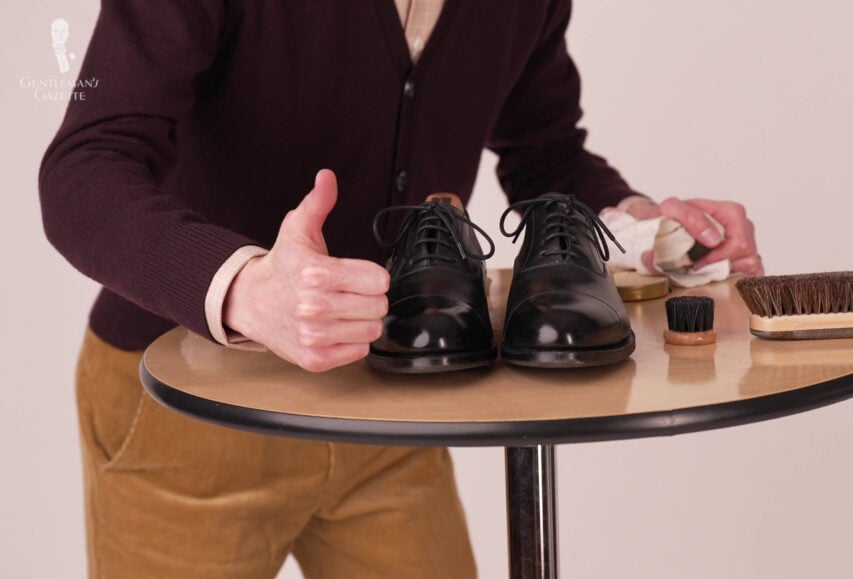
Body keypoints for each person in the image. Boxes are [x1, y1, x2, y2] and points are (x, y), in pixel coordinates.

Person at [39, 1, 762, 577]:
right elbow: (82, 172)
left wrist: (644, 224)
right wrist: (252, 290)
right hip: (187, 414)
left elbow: (545, 152)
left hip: (389, 406)